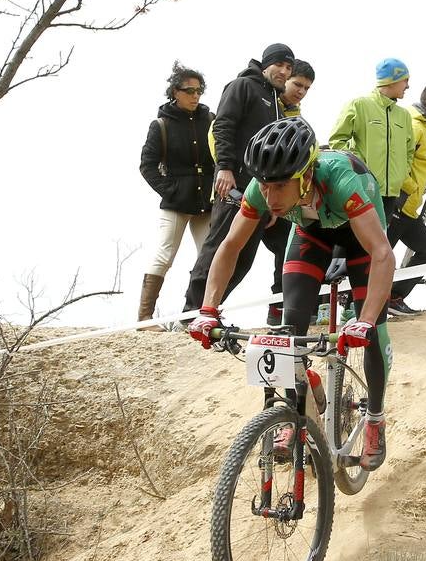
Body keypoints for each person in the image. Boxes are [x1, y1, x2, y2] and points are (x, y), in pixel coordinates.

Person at [188, 118, 394, 472]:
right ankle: (296, 405)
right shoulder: (262, 190)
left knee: (371, 331)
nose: (270, 197)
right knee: (289, 327)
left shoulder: (342, 179)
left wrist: (364, 321)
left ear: (306, 175)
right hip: (312, 235)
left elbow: (382, 254)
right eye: (265, 186)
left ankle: (374, 417)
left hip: (362, 240)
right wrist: (207, 309)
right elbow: (230, 245)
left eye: (280, 186)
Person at [182, 43, 295, 325]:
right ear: (266, 64)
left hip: (260, 193)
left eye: (289, 68)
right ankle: (189, 315)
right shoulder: (242, 86)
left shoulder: (277, 103)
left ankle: (211, 311)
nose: (283, 71)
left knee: (243, 260)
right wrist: (224, 168)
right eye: (279, 64)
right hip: (232, 186)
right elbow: (223, 126)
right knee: (218, 248)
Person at [138, 61, 214, 327]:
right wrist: (171, 190)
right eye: (189, 90)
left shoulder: (211, 120)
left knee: (209, 256)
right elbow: (147, 166)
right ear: (175, 92)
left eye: (199, 90)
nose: (195, 95)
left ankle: (197, 313)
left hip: (207, 201)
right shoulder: (160, 125)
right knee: (164, 254)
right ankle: (145, 318)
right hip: (176, 202)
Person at [385, 81, 426, 317]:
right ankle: (351, 303)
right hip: (400, 205)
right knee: (378, 257)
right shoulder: (415, 126)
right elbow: (396, 161)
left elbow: (415, 158)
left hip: (408, 208)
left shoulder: (423, 126)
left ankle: (393, 297)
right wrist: (412, 187)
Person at [329, 58, 415, 222]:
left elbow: (409, 151)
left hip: (391, 195)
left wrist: (401, 174)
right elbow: (337, 141)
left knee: (378, 243)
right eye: (406, 80)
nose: (408, 86)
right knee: (355, 243)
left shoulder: (404, 115)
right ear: (392, 80)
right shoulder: (359, 105)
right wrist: (358, 167)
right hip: (362, 189)